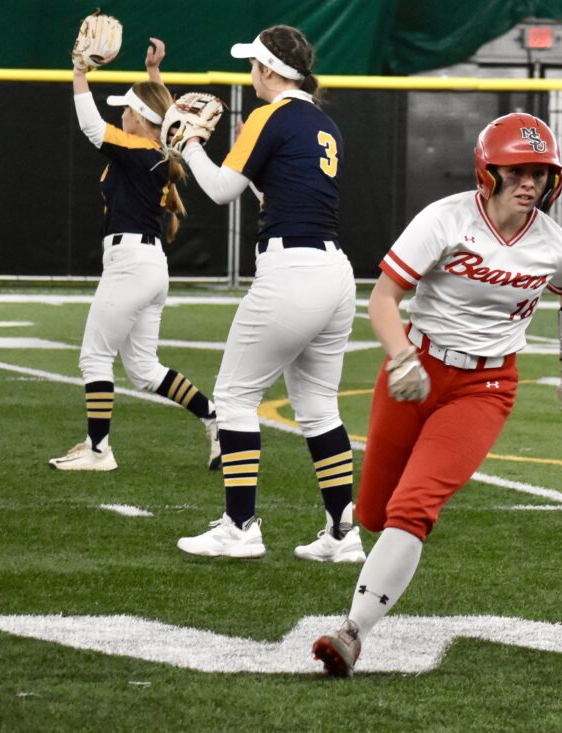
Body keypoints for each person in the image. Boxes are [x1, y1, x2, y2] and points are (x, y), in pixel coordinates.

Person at [311, 113, 562, 676]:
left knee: (413, 508)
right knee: (372, 512)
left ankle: (351, 632)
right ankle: (373, 579)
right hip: (417, 370)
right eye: (516, 171)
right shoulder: (444, 219)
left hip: (486, 387)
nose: (529, 183)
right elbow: (384, 297)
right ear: (487, 172)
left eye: (540, 172)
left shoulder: (553, 244)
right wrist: (402, 356)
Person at [168, 25, 363, 562]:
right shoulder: (323, 124)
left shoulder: (269, 115)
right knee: (320, 408)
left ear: (271, 69)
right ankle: (343, 535)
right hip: (335, 272)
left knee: (234, 397)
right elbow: (269, 185)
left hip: (292, 268)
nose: (250, 73)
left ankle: (239, 526)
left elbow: (221, 189)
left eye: (253, 64)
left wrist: (187, 145)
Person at [49, 37, 220, 472]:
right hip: (149, 266)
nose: (120, 113)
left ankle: (98, 449)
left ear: (142, 119)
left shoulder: (138, 151)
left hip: (131, 265)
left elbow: (92, 127)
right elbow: (165, 117)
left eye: (127, 108)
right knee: (143, 369)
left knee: (94, 357)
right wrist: (153, 75)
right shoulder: (153, 150)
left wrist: (81, 72)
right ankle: (215, 418)